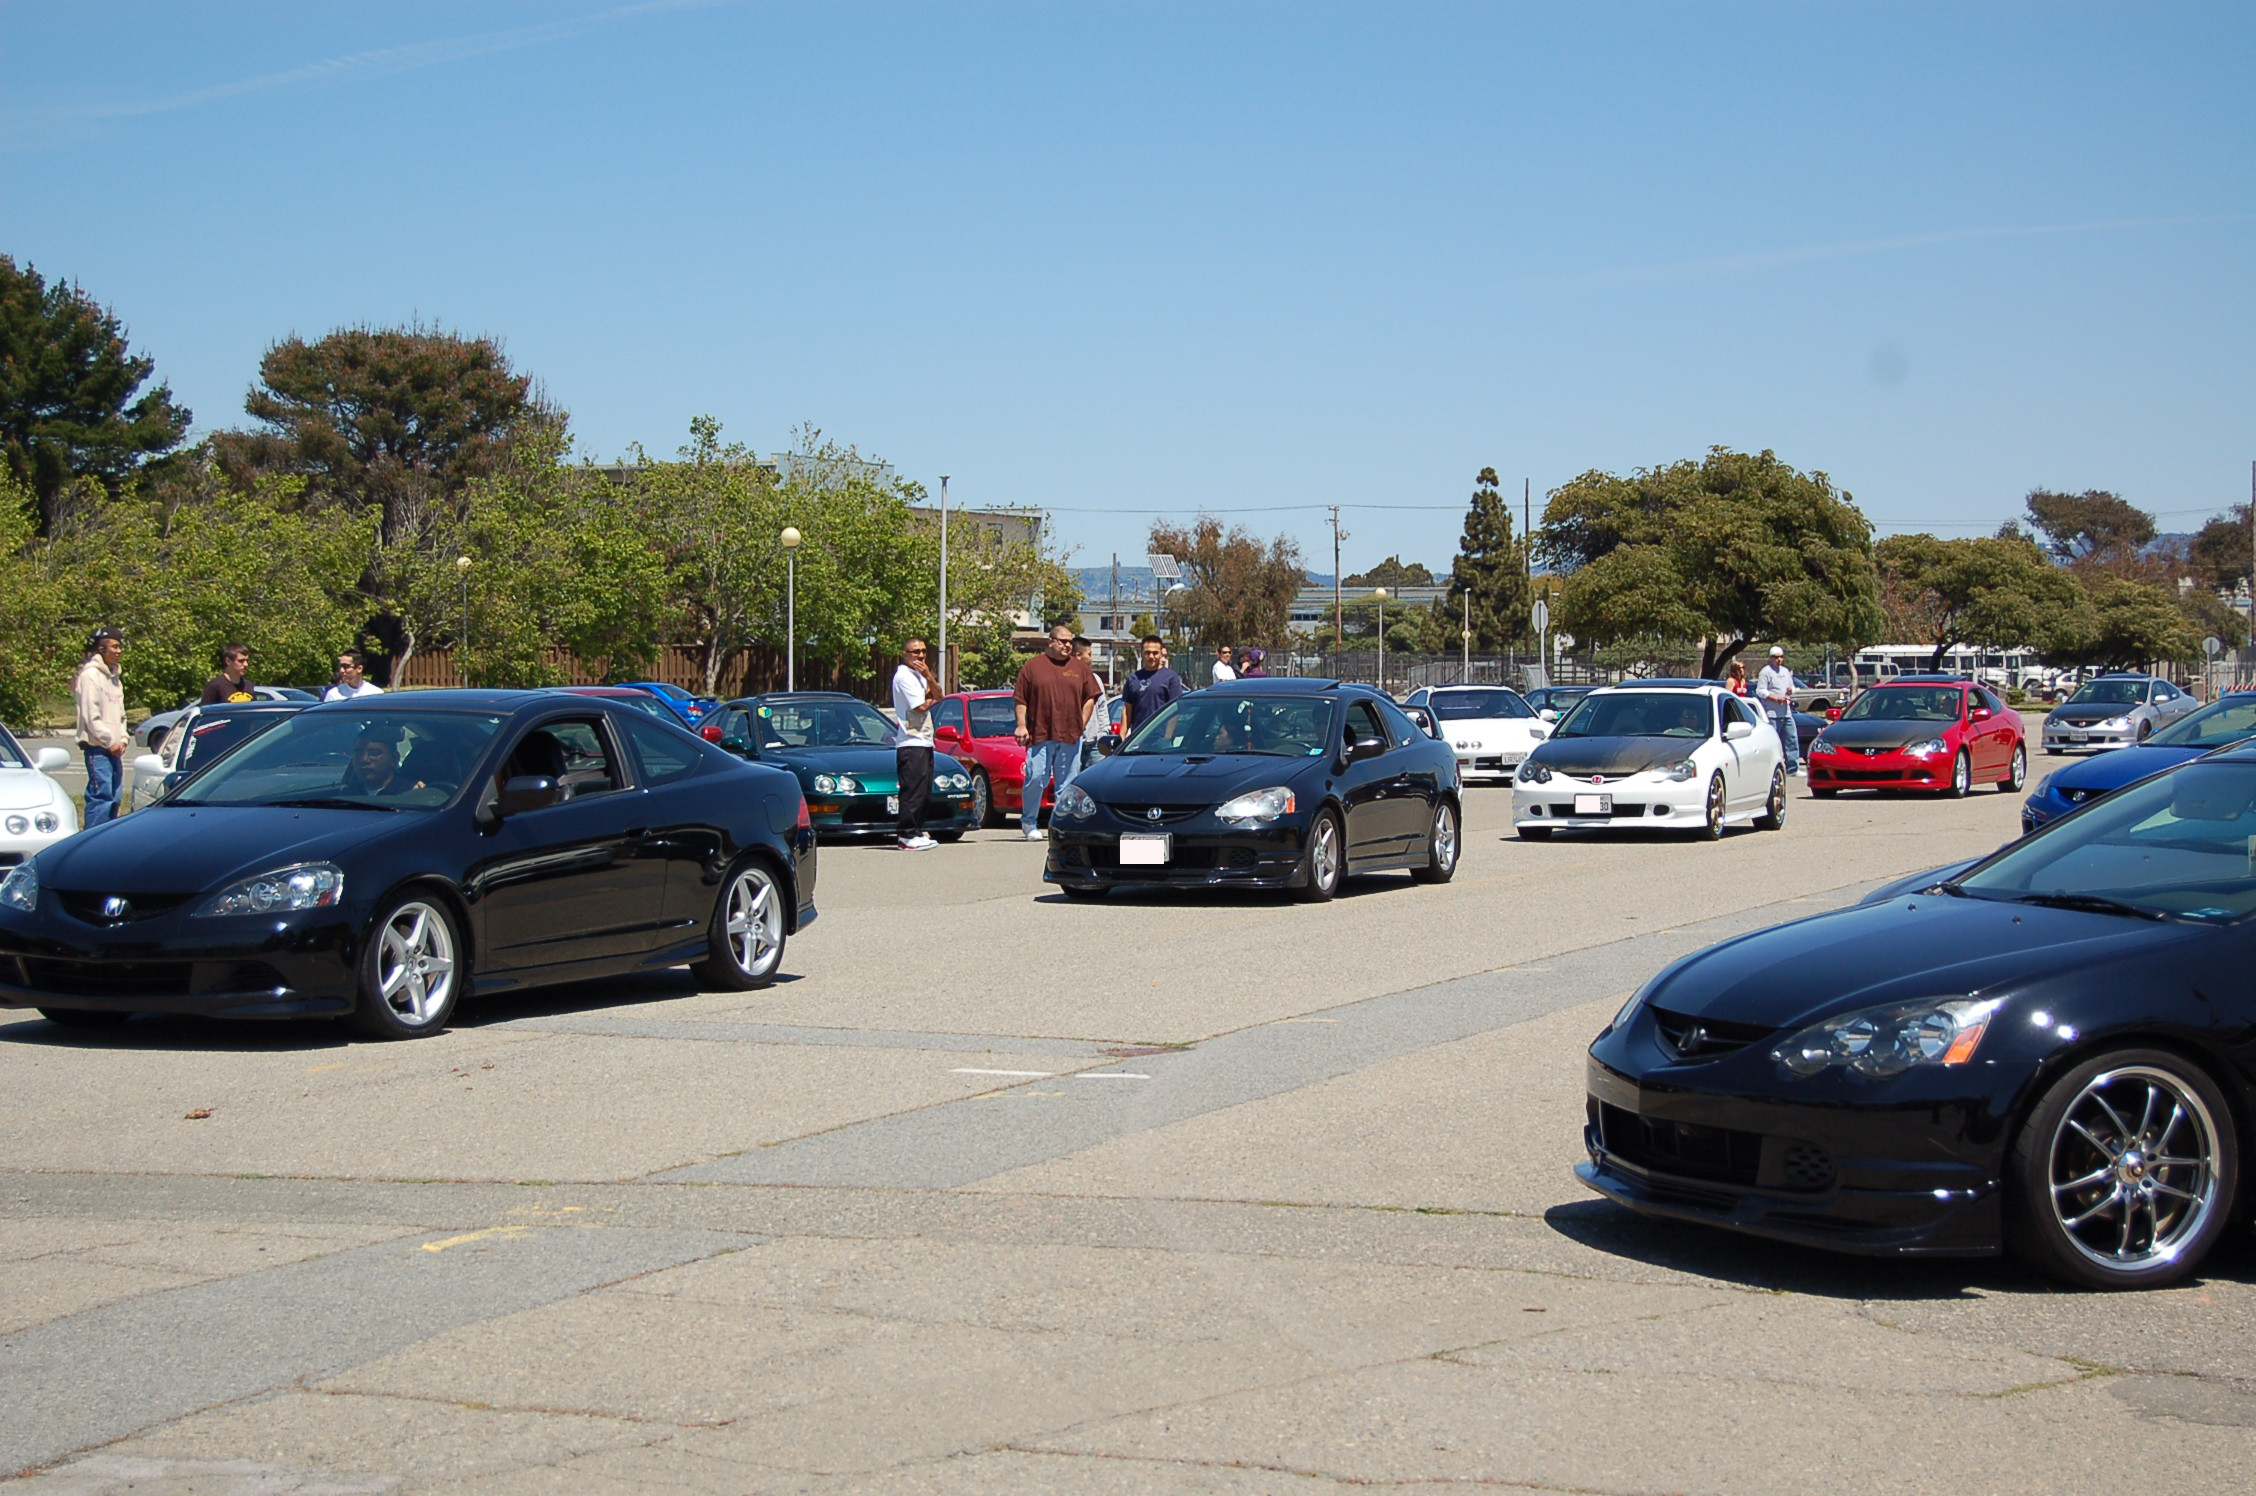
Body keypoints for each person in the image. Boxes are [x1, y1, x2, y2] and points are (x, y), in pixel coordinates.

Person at [1013, 623, 1098, 840]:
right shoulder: (1032, 667)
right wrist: (1021, 725)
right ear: (1051, 641)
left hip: (1070, 735)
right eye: (1063, 641)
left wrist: (1081, 722)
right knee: (1036, 777)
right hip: (1040, 733)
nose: (1068, 646)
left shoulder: (1080, 668)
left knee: (1067, 784)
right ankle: (1029, 822)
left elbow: (1090, 697)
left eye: (1070, 642)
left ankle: (1061, 824)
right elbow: (1021, 699)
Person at [73, 627, 127, 828]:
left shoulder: (114, 678)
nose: (118, 651)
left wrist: (122, 739)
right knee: (101, 797)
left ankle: (108, 839)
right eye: (114, 647)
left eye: (120, 647)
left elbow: (121, 715)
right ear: (102, 649)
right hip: (98, 749)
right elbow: (91, 716)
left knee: (114, 798)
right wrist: (108, 741)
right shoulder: (90, 676)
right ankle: (93, 840)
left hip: (115, 749)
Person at [891, 638, 941, 851]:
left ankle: (917, 831)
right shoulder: (904, 676)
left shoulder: (920, 676)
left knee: (924, 790)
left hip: (925, 740)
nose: (920, 656)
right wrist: (931, 696)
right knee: (912, 790)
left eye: (923, 651)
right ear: (905, 654)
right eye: (915, 652)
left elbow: (940, 695)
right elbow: (920, 706)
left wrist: (929, 676)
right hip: (911, 741)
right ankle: (906, 834)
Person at [1120, 634, 1186, 733]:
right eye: (1147, 653)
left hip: (1160, 737)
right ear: (1142, 654)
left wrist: (1167, 736)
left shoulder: (1171, 678)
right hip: (1138, 737)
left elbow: (1175, 710)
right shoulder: (1133, 678)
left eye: (1155, 653)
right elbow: (1127, 710)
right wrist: (1122, 736)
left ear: (1161, 654)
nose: (1151, 656)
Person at [1756, 646, 1800, 774]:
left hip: (1786, 712)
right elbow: (1760, 691)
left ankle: (1793, 769)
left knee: (1791, 739)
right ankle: (1771, 768)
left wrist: (1791, 690)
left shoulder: (1785, 671)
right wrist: (1776, 698)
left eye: (1781, 657)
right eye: (1776, 657)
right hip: (1772, 714)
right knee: (1773, 742)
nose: (1779, 659)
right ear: (1770, 658)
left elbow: (1792, 686)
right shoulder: (1765, 672)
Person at [340, 729, 419, 797]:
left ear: (394, 759)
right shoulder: (344, 795)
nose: (364, 759)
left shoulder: (412, 793)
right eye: (358, 753)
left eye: (374, 753)